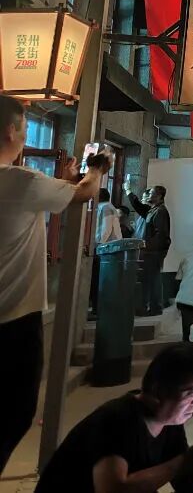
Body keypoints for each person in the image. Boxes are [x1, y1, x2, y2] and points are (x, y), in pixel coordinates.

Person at [0, 96, 112, 476]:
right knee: (15, 412)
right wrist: (96, 168)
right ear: (10, 131)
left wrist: (65, 180)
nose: (25, 134)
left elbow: (50, 196)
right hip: (13, 321)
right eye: (25, 126)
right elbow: (85, 193)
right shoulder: (20, 180)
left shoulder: (24, 185)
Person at [35, 342, 193, 492]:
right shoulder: (117, 420)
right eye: (190, 393)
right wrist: (181, 462)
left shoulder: (170, 423)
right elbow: (112, 489)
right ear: (158, 389)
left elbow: (183, 483)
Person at [128, 184, 171, 317]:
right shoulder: (153, 210)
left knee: (153, 279)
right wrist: (129, 192)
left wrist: (147, 245)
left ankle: (155, 307)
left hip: (153, 252)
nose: (148, 196)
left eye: (151, 193)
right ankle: (149, 306)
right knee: (149, 279)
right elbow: (139, 207)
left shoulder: (160, 211)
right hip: (150, 251)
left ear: (159, 196)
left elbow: (160, 234)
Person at [90, 189, 123, 314]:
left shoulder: (105, 207)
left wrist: (99, 244)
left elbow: (106, 229)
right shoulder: (108, 207)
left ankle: (98, 309)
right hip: (109, 248)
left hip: (105, 248)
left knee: (99, 279)